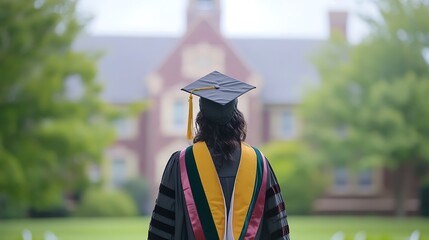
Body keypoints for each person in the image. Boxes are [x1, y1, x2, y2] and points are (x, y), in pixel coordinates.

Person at [148, 71, 290, 240]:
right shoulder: (259, 163)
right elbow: (278, 230)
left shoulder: (181, 163)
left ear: (201, 118)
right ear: (237, 117)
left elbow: (161, 230)